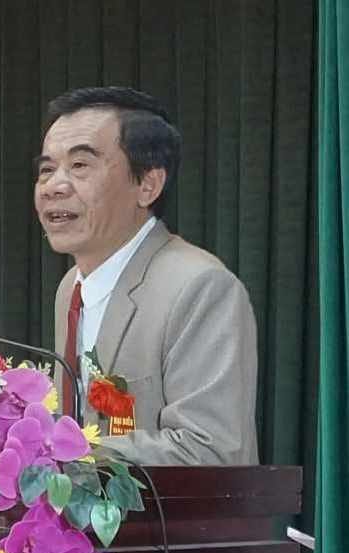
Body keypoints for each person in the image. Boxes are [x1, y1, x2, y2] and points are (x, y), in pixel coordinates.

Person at [36, 86, 258, 465]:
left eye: (80, 165)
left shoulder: (199, 287)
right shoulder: (69, 287)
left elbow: (211, 449)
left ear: (147, 185)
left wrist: (59, 455)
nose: (54, 186)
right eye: (46, 169)